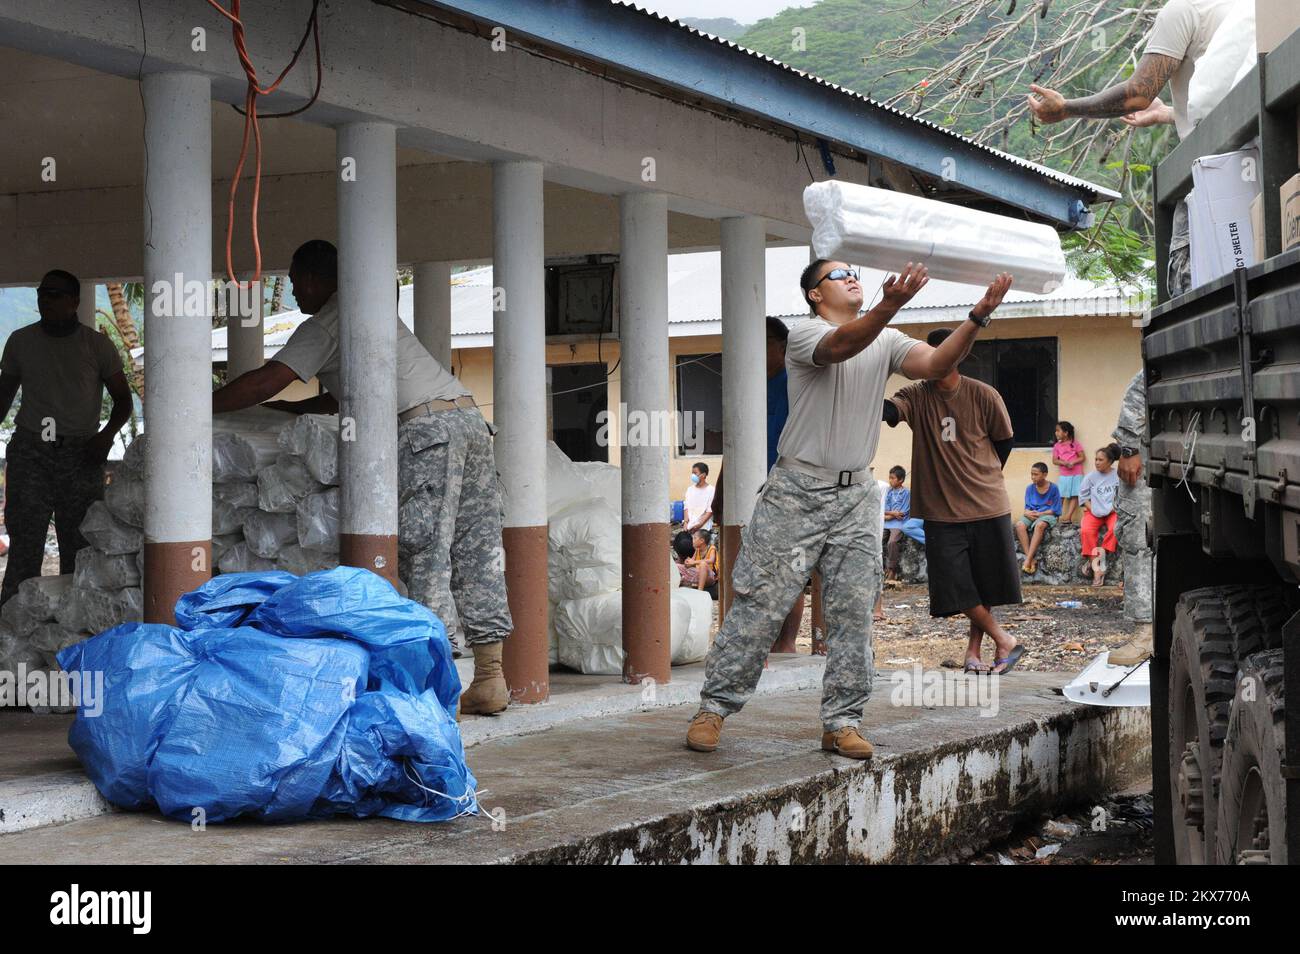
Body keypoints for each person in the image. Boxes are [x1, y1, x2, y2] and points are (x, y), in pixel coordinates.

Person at [685, 258, 1013, 759]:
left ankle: (842, 722)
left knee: (853, 612)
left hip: (858, 494)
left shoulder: (888, 337)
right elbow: (841, 347)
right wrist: (889, 303)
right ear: (815, 294)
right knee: (759, 604)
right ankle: (714, 708)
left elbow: (936, 364)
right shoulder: (804, 336)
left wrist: (978, 316)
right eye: (838, 275)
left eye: (854, 271)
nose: (851, 277)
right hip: (797, 488)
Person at [209, 240, 513, 714]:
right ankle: (491, 678)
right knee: (476, 550)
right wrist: (282, 410)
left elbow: (270, 377)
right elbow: (338, 398)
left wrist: (197, 404)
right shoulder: (369, 315)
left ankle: (437, 688)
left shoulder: (328, 318)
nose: (293, 293)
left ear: (313, 279)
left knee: (425, 553)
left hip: (424, 432)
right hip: (467, 419)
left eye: (293, 283)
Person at [1027, 0, 1230, 298]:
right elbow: (1228, 100)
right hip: (1244, 156)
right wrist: (1169, 114)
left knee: (1194, 295)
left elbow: (1138, 94)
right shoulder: (1241, 9)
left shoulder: (1182, 9)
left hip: (1212, 177)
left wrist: (1066, 109)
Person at [884, 327, 1025, 676]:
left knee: (983, 583)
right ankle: (1004, 639)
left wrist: (981, 478)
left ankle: (973, 652)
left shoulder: (984, 394)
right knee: (954, 584)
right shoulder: (916, 395)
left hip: (986, 503)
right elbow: (889, 412)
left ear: (959, 355)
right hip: (940, 510)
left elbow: (1003, 443)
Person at [0, 270, 132, 604]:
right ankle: (13, 630)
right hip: (31, 450)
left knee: (80, 547)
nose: (47, 301)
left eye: (56, 295)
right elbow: (2, 398)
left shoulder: (96, 345)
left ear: (75, 301)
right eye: (43, 294)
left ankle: (74, 623)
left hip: (81, 452)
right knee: (25, 546)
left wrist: (106, 437)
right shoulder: (20, 341)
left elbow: (123, 401)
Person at [766, 316, 806, 652]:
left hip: (789, 490)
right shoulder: (749, 386)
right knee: (760, 575)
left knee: (789, 573)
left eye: (762, 342)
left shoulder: (793, 384)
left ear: (782, 346)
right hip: (751, 491)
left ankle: (787, 644)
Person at [1111, 371, 1154, 659]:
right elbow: (1141, 388)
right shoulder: (1165, 343)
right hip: (1153, 456)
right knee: (1138, 536)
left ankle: (1151, 632)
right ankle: (1146, 631)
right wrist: (1129, 448)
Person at [1079, 444, 1122, 587]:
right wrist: (1093, 509)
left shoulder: (1118, 476)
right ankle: (1098, 571)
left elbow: (1123, 496)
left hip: (1112, 512)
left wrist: (1112, 509)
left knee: (1116, 528)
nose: (1097, 462)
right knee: (1086, 531)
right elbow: (1083, 498)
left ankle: (1096, 562)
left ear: (1110, 461)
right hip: (1093, 511)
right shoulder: (1090, 477)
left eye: (1100, 460)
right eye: (1096, 459)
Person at [1015, 462, 1062, 575]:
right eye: (1032, 474)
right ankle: (1030, 558)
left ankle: (1027, 560)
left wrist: (1041, 514)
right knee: (1019, 525)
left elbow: (1055, 509)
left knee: (1039, 525)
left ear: (1044, 474)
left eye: (1036, 474)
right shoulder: (1029, 488)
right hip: (1032, 514)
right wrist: (1028, 513)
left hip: (1047, 515)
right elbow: (1026, 508)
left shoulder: (1054, 488)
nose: (1033, 477)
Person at [1052, 420, 1085, 523]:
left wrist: (1073, 462)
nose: (1056, 433)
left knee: (1075, 495)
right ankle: (1055, 516)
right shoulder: (1057, 446)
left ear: (1066, 433)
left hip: (1076, 474)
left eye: (1058, 431)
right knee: (1061, 495)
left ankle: (1068, 517)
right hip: (1064, 475)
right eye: (1056, 431)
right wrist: (1064, 463)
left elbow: (1082, 457)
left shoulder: (1075, 444)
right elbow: (1054, 460)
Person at [882, 465, 911, 582]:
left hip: (899, 524)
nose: (890, 480)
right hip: (887, 522)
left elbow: (903, 513)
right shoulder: (888, 492)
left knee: (892, 542)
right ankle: (881, 569)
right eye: (889, 477)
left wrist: (890, 515)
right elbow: (883, 508)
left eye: (893, 478)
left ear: (901, 480)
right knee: (878, 540)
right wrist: (892, 513)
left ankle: (892, 570)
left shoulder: (906, 493)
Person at [683, 461, 714, 536]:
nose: (693, 475)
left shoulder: (711, 490)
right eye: (692, 473)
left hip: (704, 528)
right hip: (689, 528)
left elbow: (710, 511)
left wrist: (699, 525)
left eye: (695, 473)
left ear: (703, 475)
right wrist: (686, 522)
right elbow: (686, 507)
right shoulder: (690, 489)